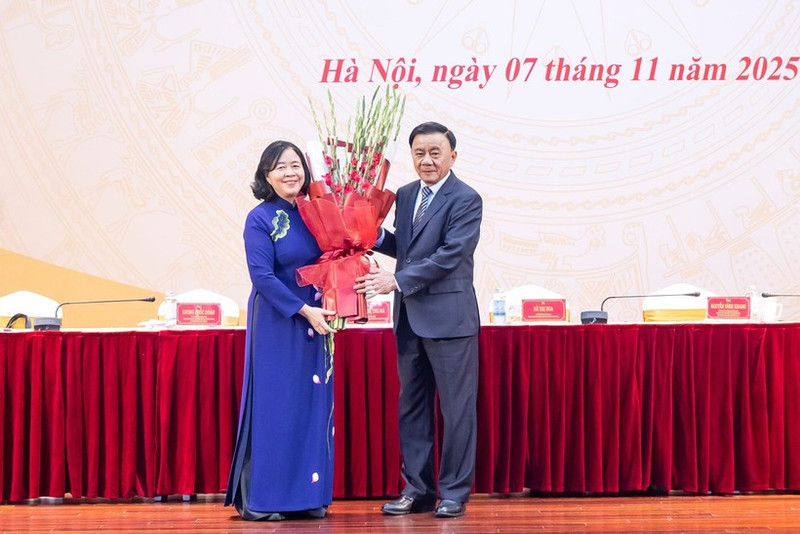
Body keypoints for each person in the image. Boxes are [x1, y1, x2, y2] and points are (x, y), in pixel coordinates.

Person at [355, 122, 483, 518]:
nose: (426, 161)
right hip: (410, 319)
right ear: (411, 156)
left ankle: (453, 493)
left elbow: (451, 255)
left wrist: (396, 280)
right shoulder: (407, 195)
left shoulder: (466, 198)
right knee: (411, 408)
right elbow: (407, 249)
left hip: (450, 320)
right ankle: (417, 489)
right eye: (419, 154)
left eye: (435, 153)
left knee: (456, 410)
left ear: (452, 157)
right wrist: (366, 233)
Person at [225, 140, 337, 521]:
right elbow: (262, 276)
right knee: (278, 407)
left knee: (311, 405)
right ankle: (266, 501)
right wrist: (303, 309)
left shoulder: (316, 213)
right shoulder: (259, 218)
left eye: (296, 165)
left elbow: (339, 253)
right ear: (266, 175)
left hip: (317, 318)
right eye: (280, 167)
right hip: (279, 319)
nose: (290, 173)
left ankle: (307, 496)